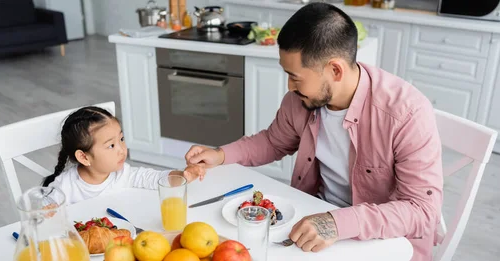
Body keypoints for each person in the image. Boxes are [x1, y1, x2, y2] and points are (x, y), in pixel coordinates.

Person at [184, 3, 443, 261]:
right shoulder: (301, 100)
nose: (289, 85)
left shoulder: (406, 113)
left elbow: (421, 210)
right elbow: (273, 142)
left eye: (295, 77)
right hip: (317, 217)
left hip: (384, 241)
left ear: (335, 70)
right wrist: (219, 155)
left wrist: (337, 223)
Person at [43, 106, 205, 205]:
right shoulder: (65, 186)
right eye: (111, 145)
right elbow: (42, 210)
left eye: (121, 139)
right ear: (84, 157)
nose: (122, 149)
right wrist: (47, 211)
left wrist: (183, 175)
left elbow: (153, 178)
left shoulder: (122, 174)